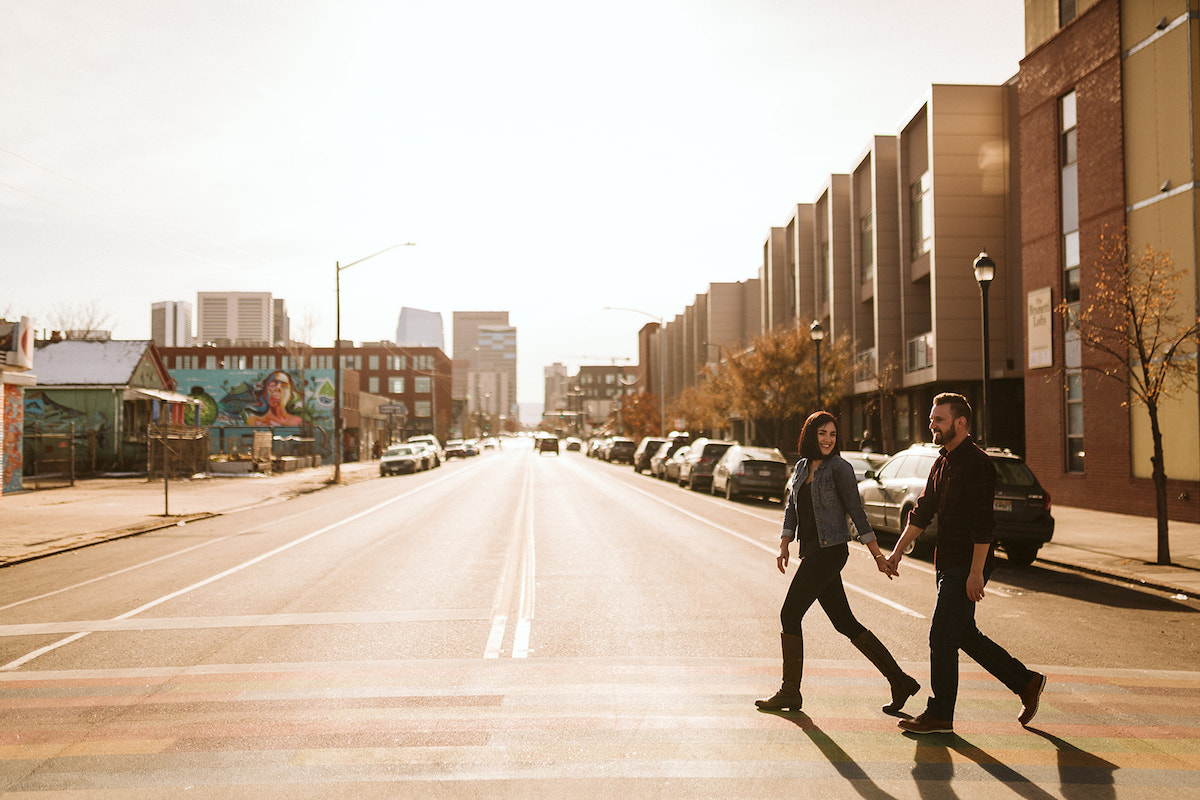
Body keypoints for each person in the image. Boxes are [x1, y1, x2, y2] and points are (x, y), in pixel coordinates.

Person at [886, 392, 1046, 734]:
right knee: (964, 635)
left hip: (967, 565)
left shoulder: (977, 464)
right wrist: (898, 551)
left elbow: (983, 525)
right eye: (931, 419)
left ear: (961, 423)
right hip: (948, 563)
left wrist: (976, 573)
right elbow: (924, 510)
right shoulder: (943, 461)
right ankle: (1026, 682)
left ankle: (940, 714)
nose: (932, 424)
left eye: (938, 419)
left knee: (941, 637)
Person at [756, 411, 920, 715]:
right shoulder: (802, 467)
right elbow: (792, 508)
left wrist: (878, 556)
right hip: (813, 552)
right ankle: (900, 681)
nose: (828, 439)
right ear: (810, 435)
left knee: (789, 614)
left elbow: (857, 514)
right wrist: (784, 545)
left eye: (832, 434)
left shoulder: (840, 469)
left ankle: (790, 691)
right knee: (845, 623)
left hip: (831, 552)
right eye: (822, 433)